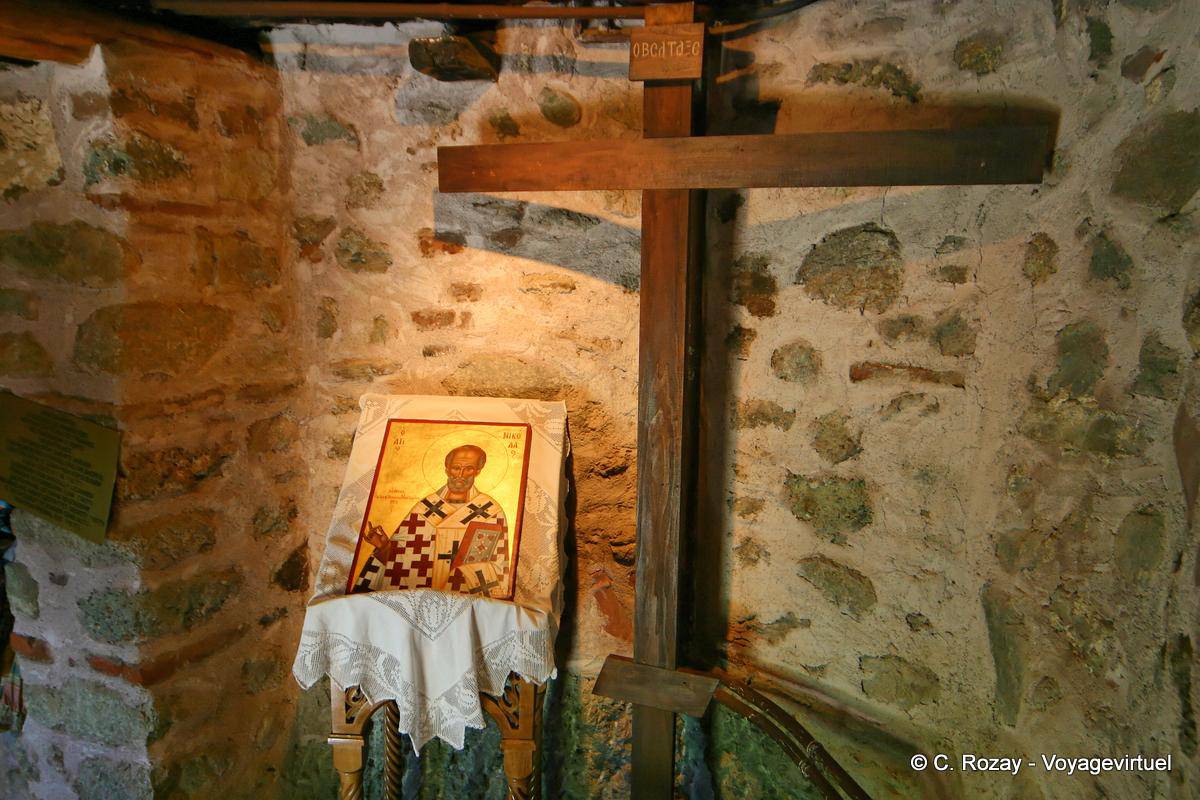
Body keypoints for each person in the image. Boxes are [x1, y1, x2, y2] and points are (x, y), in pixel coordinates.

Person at [352, 444, 510, 597]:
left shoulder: (490, 511)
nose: (461, 474)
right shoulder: (425, 509)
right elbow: (403, 561)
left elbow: (499, 566)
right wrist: (384, 548)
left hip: (460, 600)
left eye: (469, 468)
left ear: (478, 471)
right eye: (456, 468)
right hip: (417, 598)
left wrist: (463, 573)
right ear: (447, 469)